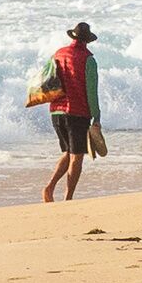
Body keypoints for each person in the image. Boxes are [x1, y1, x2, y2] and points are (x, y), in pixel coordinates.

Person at [29, 20, 104, 201]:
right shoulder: (89, 60)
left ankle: (49, 187)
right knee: (77, 157)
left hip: (56, 112)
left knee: (68, 153)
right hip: (77, 113)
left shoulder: (58, 54)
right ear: (87, 40)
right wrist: (97, 117)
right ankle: (68, 198)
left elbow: (47, 78)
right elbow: (91, 91)